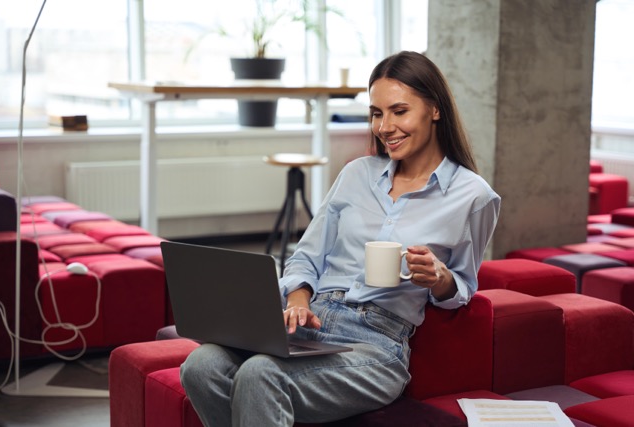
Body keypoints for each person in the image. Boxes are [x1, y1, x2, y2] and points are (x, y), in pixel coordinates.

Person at [180, 50, 501, 426]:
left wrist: (438, 276)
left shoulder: (474, 196)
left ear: (434, 109)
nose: (384, 126)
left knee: (261, 373)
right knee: (200, 366)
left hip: (376, 343)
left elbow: (463, 286)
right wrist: (298, 299)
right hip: (309, 324)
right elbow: (306, 256)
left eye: (399, 111)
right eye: (377, 113)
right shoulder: (356, 174)